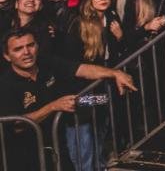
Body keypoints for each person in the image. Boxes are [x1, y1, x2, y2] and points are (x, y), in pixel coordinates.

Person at [0, 27, 137, 171]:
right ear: (7, 56)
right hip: (22, 155)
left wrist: (115, 73)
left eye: (30, 45)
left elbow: (80, 69)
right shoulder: (5, 85)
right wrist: (53, 106)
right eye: (18, 49)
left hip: (57, 148)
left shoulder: (45, 62)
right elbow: (17, 124)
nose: (26, 52)